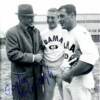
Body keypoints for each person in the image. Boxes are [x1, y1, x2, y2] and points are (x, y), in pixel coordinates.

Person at [58, 4, 99, 100]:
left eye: (62, 16)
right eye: (59, 17)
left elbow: (91, 56)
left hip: (79, 81)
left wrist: (70, 73)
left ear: (72, 15)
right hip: (68, 79)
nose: (59, 20)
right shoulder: (66, 33)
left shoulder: (80, 32)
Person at [6, 4, 43, 100]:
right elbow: (12, 54)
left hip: (36, 77)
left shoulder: (36, 31)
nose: (32, 19)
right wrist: (34, 58)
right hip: (22, 79)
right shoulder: (12, 32)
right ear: (20, 17)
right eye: (29, 17)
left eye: (32, 17)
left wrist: (40, 54)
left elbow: (41, 47)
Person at [41, 8, 66, 100]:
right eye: (48, 17)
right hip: (48, 69)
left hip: (61, 68)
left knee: (65, 95)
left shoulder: (64, 31)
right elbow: (41, 50)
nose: (49, 20)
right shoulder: (42, 33)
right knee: (47, 96)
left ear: (58, 18)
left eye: (52, 18)